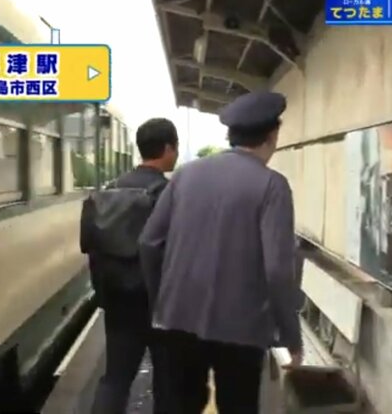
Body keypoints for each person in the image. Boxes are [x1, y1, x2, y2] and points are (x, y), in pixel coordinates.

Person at [139, 91, 303, 414]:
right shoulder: (273, 186)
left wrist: (162, 302)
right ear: (272, 135)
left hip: (177, 320)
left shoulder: (185, 175)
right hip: (242, 329)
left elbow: (148, 242)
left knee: (177, 406)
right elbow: (278, 270)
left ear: (230, 135)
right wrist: (290, 335)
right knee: (238, 406)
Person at [80, 118, 179, 414]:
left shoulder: (108, 192)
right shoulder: (171, 194)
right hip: (163, 305)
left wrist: (104, 294)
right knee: (168, 382)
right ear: (168, 148)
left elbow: (92, 248)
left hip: (119, 299)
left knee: (115, 379)